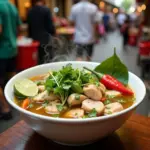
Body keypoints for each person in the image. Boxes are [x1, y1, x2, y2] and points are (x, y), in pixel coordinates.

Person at [0, 0, 22, 119]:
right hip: (13, 48)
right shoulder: (12, 6)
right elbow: (19, 28)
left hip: (1, 51)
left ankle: (5, 109)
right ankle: (16, 103)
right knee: (11, 77)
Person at [27, 0, 55, 64]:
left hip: (35, 41)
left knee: (38, 61)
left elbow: (29, 29)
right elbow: (50, 28)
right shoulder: (46, 10)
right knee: (49, 60)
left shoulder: (30, 11)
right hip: (46, 40)